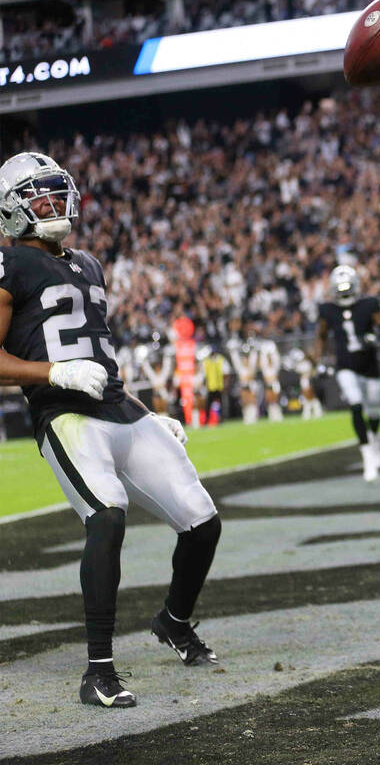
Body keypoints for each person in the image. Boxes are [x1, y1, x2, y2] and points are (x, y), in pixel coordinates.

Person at [0, 152, 221, 709]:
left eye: (56, 193)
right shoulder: (9, 264)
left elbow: (97, 357)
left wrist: (151, 411)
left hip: (119, 408)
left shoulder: (90, 264)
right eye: (38, 196)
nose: (51, 204)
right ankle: (98, 670)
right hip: (65, 413)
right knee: (107, 516)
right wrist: (53, 372)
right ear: (12, 209)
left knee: (202, 523)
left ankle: (174, 621)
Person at [314, 264, 380, 481]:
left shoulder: (369, 305)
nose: (345, 293)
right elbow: (320, 335)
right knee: (356, 405)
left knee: (374, 413)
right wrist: (319, 361)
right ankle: (366, 454)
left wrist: (377, 338)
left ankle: (375, 439)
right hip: (345, 366)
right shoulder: (327, 310)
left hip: (369, 366)